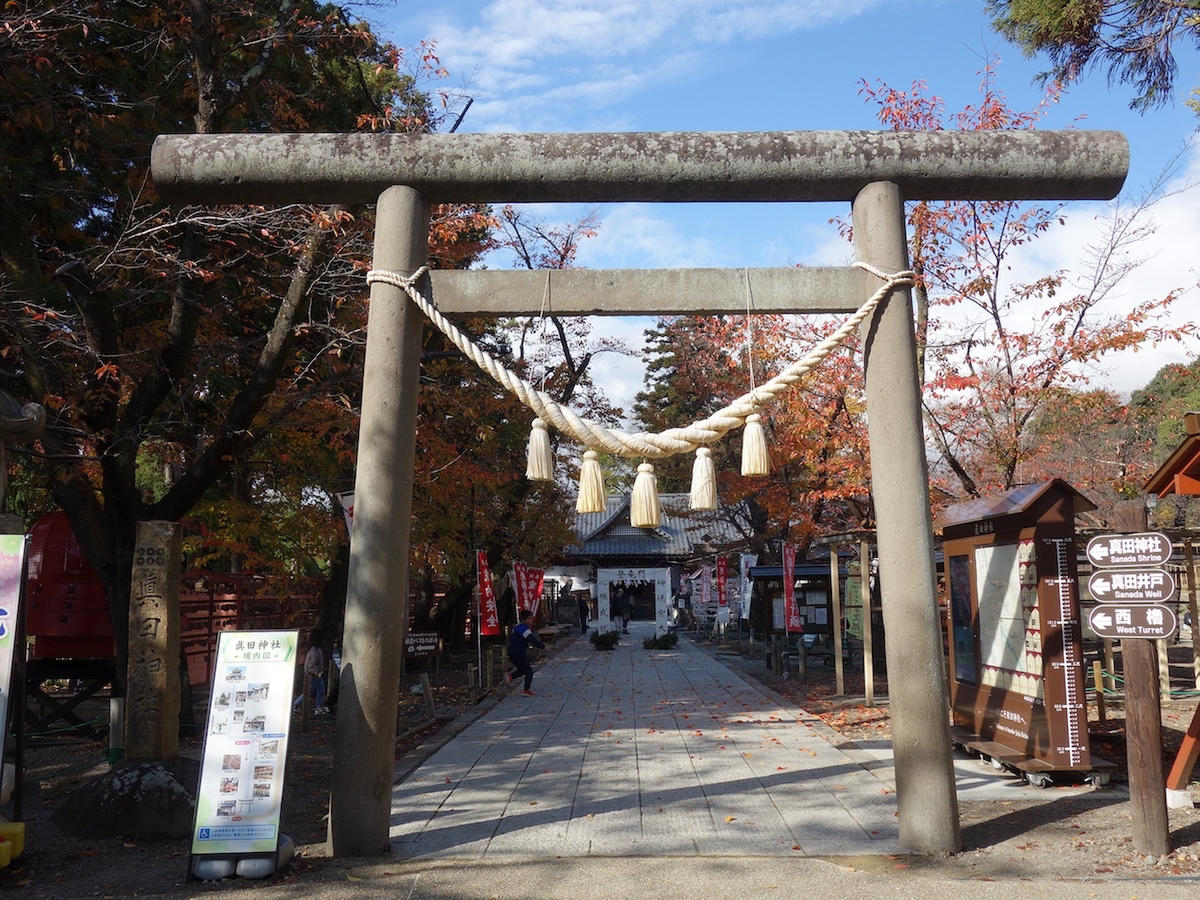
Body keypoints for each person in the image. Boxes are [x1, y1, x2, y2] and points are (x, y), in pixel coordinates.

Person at [506, 609, 545, 696]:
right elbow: (533, 640)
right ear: (523, 620)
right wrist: (543, 646)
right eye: (529, 619)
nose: (531, 620)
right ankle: (525, 690)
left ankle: (510, 676)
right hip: (519, 653)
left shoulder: (516, 628)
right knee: (529, 672)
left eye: (531, 618)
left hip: (512, 652)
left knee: (522, 670)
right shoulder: (525, 629)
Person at [293, 629, 326, 715]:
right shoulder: (314, 651)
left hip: (316, 675)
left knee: (321, 690)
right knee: (308, 692)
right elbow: (310, 665)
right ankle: (295, 705)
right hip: (313, 675)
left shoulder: (317, 650)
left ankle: (318, 707)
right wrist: (316, 672)